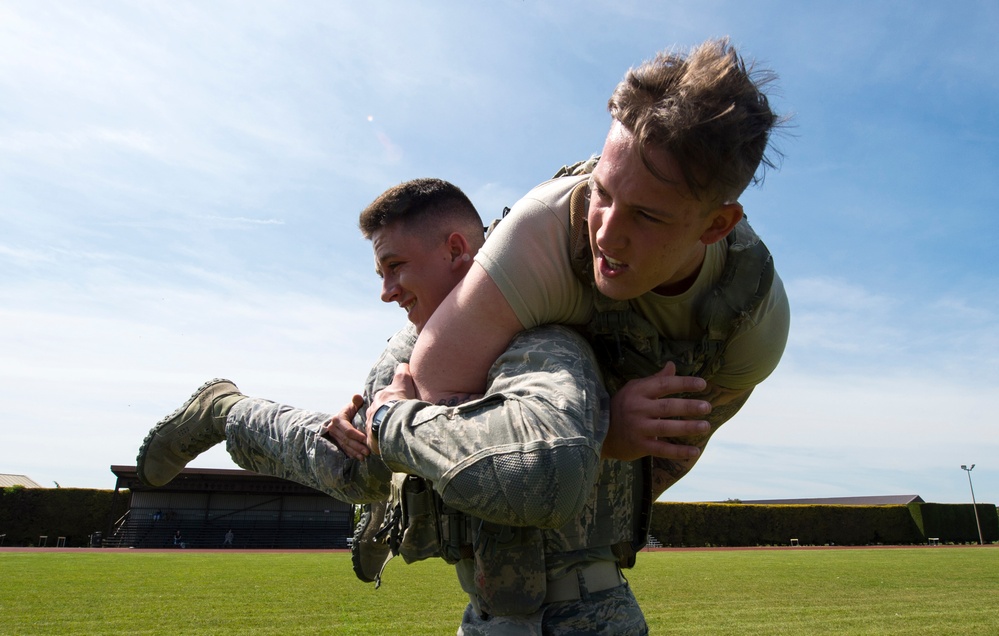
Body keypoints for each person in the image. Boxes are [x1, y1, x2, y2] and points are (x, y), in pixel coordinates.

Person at [136, 177, 707, 634]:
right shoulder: (407, 357)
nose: (386, 290)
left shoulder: (544, 335)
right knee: (349, 462)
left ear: (457, 248)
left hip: (589, 614)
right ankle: (226, 413)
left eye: (395, 267)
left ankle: (228, 413)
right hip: (487, 615)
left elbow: (543, 471)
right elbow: (368, 454)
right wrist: (378, 428)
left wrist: (397, 419)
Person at [400, 37, 790, 501]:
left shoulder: (751, 319)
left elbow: (660, 466)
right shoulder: (541, 236)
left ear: (716, 225)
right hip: (485, 344)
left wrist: (618, 443)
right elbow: (431, 391)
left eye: (646, 216)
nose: (605, 234)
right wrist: (602, 426)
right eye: (602, 193)